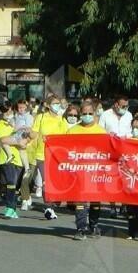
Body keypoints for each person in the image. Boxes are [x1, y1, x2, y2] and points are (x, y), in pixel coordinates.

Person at [67, 103, 107, 240]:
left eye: (90, 113)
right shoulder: (73, 131)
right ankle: (80, 228)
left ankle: (94, 226)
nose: (87, 116)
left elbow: (107, 152)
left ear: (94, 114)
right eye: (84, 113)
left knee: (95, 202)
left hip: (96, 172)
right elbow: (65, 150)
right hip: (79, 172)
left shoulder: (101, 132)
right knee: (80, 202)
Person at [31, 95, 68, 219]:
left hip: (57, 155)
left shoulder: (61, 120)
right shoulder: (40, 118)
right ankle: (48, 207)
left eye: (59, 103)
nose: (57, 105)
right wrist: (26, 135)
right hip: (42, 154)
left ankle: (53, 203)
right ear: (47, 105)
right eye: (55, 103)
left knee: (56, 181)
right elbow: (34, 133)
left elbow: (66, 137)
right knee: (46, 181)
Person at [0, 105, 28, 219]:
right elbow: (2, 139)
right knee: (10, 182)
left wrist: (18, 138)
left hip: (19, 159)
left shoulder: (19, 123)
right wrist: (17, 141)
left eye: (9, 111)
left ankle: (13, 208)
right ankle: (9, 207)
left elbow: (25, 139)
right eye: (5, 111)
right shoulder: (0, 124)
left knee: (15, 186)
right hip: (7, 158)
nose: (7, 113)